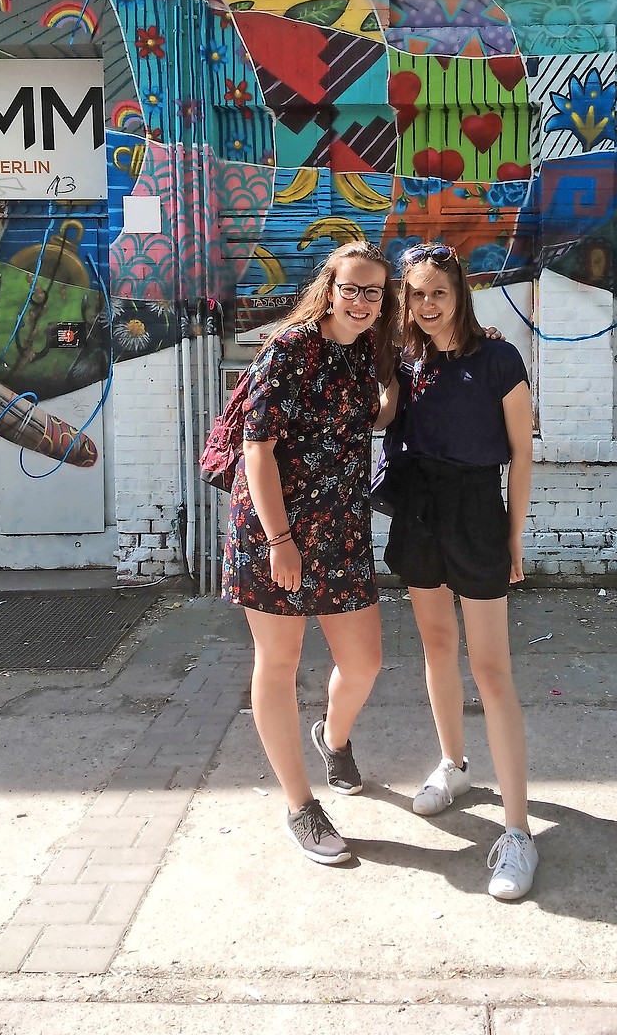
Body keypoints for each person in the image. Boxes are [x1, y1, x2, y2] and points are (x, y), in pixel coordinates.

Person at [222, 241, 397, 865]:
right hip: (274, 531)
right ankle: (300, 805)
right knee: (279, 662)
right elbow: (257, 449)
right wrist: (279, 541)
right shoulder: (288, 349)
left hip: (342, 532)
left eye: (372, 292)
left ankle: (334, 737)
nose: (359, 301)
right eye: (350, 288)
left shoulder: (367, 356)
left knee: (366, 662)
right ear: (329, 288)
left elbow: (368, 421)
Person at [383, 242, 537, 900]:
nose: (426, 305)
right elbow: (381, 415)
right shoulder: (400, 359)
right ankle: (453, 765)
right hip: (418, 508)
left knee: (491, 669)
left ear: (460, 295)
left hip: (477, 507)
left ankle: (519, 833)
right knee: (437, 646)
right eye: (414, 293)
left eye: (437, 293)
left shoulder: (499, 357)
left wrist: (514, 537)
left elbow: (522, 456)